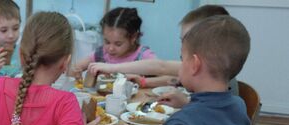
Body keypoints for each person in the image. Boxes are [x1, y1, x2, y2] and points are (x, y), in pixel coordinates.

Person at [119, 15, 250, 125]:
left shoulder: (180, 124)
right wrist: (187, 104)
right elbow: (212, 119)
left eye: (182, 58)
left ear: (195, 65)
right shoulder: (240, 105)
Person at [87, 5, 238, 94]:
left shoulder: (206, 68)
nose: (182, 47)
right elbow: (174, 79)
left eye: (185, 40)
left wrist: (111, 67)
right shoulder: (217, 68)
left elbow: (160, 66)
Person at [70, 7, 156, 77]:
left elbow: (168, 78)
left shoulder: (144, 56)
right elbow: (76, 68)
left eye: (118, 44)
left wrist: (143, 82)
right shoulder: (101, 54)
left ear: (133, 37)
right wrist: (74, 71)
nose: (110, 48)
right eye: (107, 42)